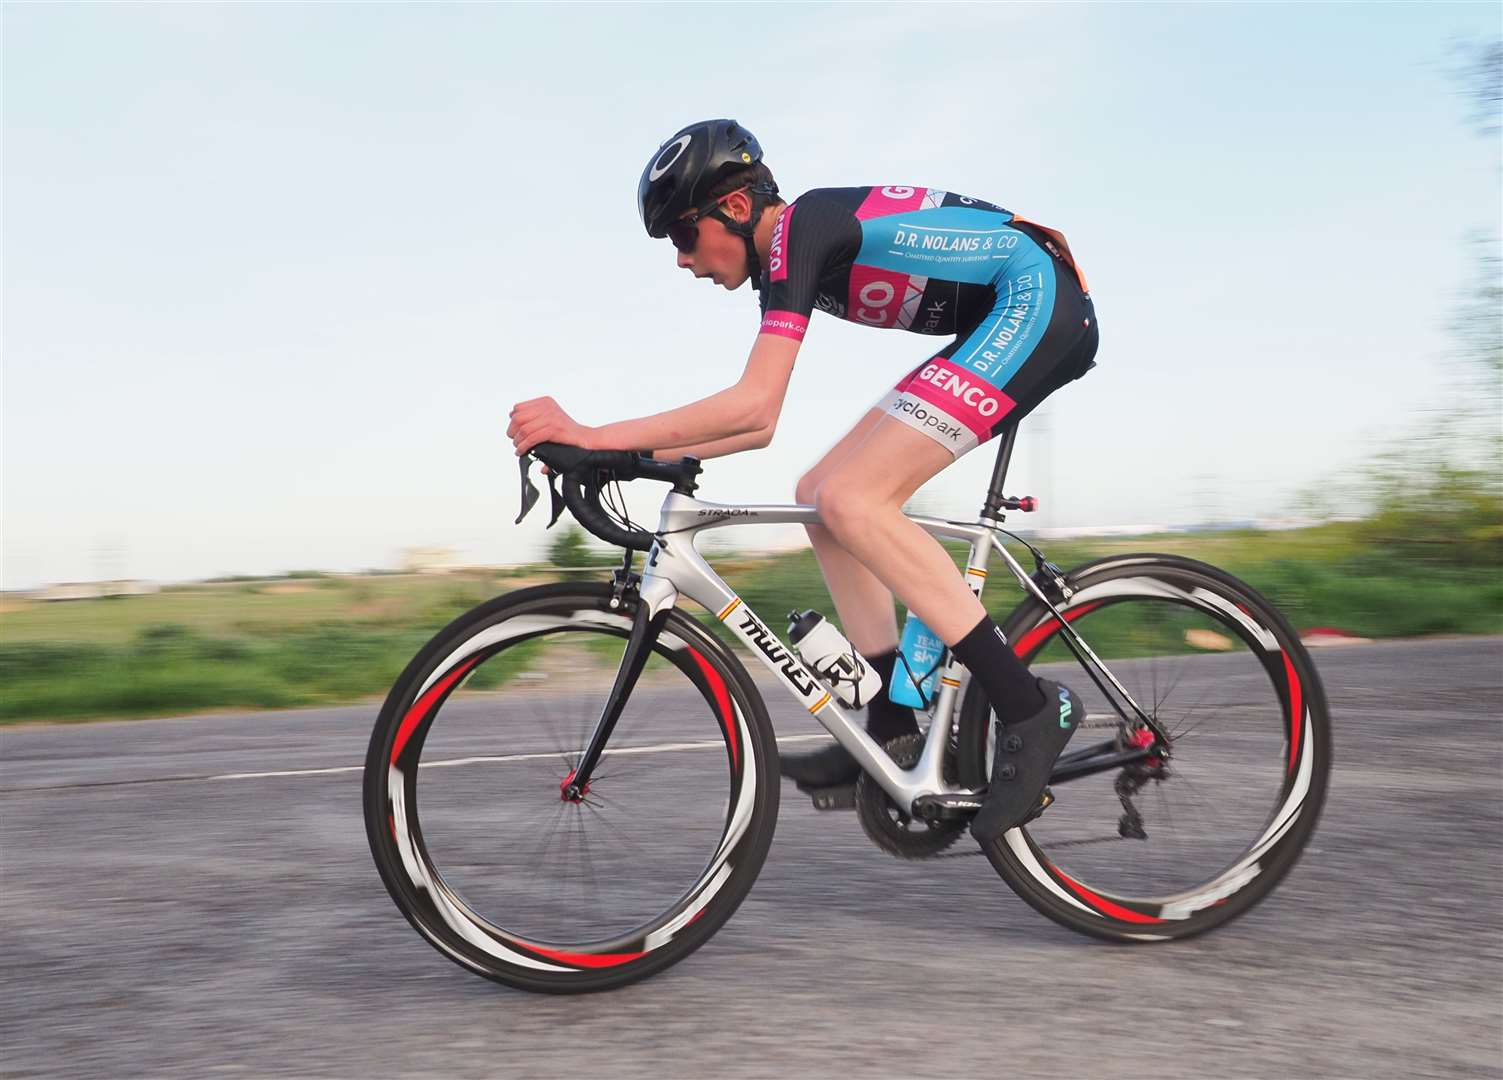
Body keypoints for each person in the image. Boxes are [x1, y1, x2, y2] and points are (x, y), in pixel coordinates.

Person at [507, 119, 1098, 846]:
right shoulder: (787, 259)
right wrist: (631, 457)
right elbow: (757, 428)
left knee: (854, 499)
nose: (682, 261)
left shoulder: (801, 228)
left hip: (1035, 301)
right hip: (1003, 313)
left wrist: (596, 435)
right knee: (821, 493)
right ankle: (891, 729)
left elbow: (753, 405)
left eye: (681, 238)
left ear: (730, 207)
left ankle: (1029, 707)